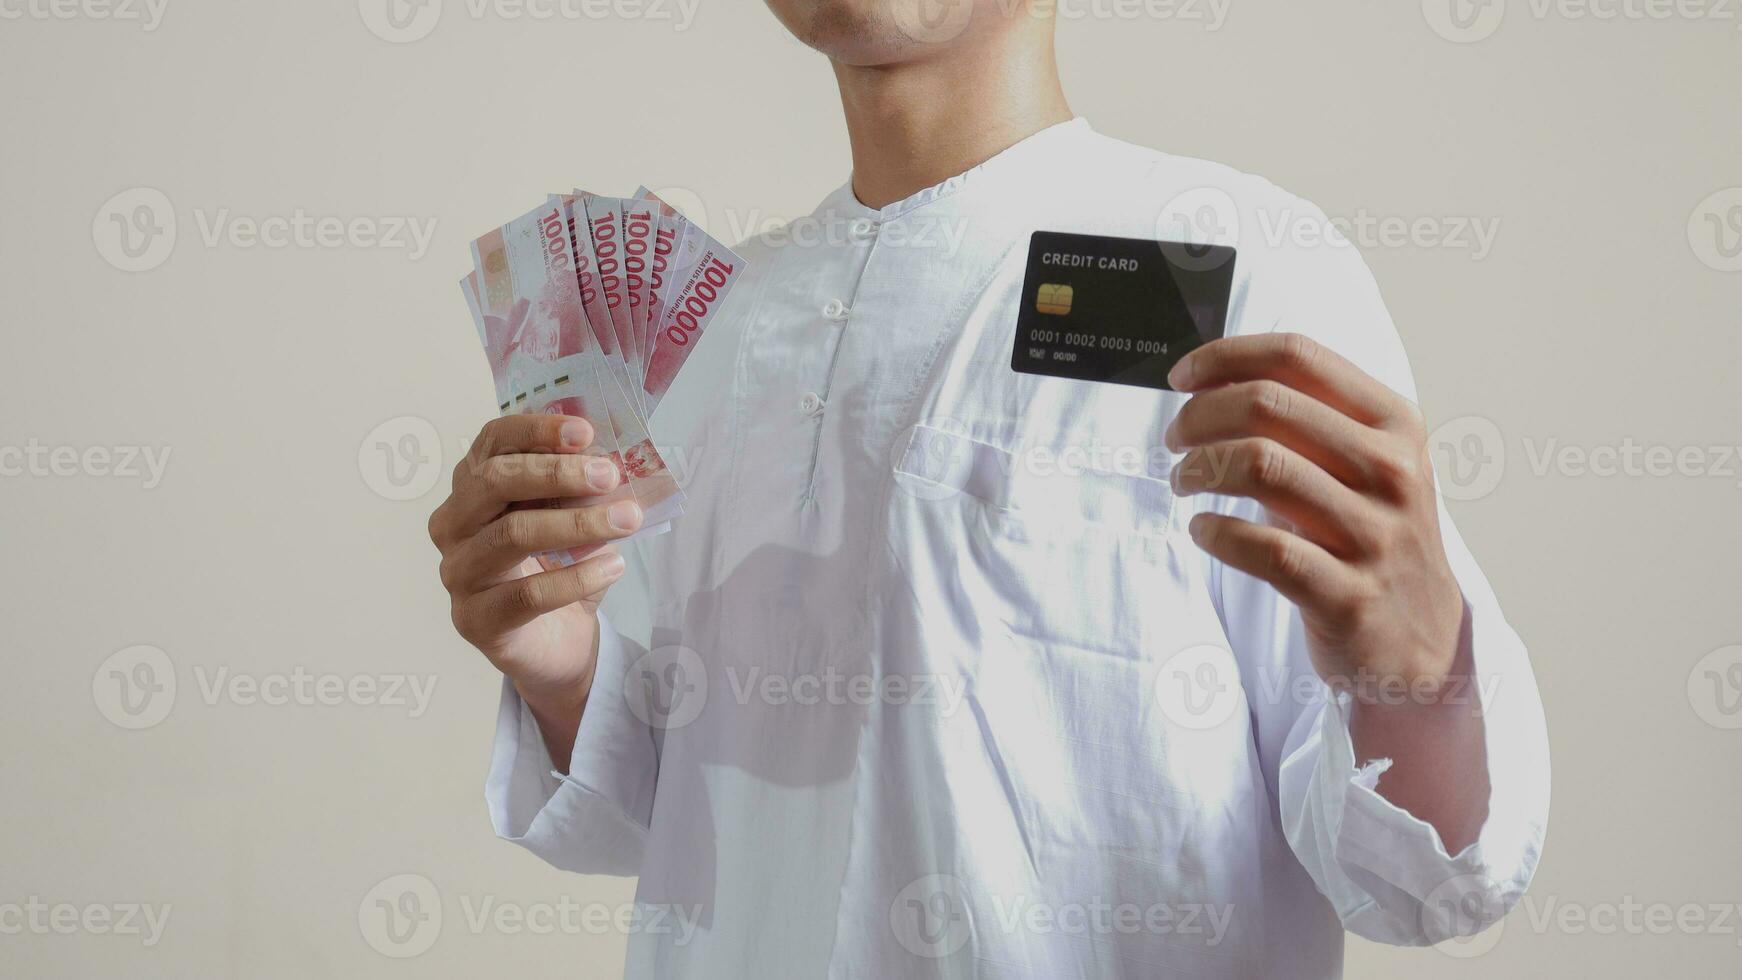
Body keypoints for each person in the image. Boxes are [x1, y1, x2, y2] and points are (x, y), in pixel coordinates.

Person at [426, 2, 1550, 976]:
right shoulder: (718, 322)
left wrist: (1411, 671)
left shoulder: (1231, 264)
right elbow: (660, 816)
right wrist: (565, 665)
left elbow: (1416, 880)